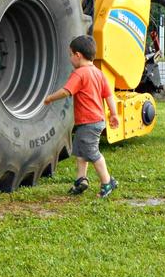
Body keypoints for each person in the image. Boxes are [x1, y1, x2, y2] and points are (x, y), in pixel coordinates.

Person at [44, 35, 120, 198]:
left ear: (78, 55)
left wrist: (50, 98)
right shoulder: (99, 73)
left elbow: (66, 91)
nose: (70, 58)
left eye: (70, 55)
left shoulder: (79, 74)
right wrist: (114, 114)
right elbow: (109, 95)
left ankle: (107, 182)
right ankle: (81, 180)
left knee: (92, 153)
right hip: (95, 121)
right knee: (80, 152)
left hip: (89, 122)